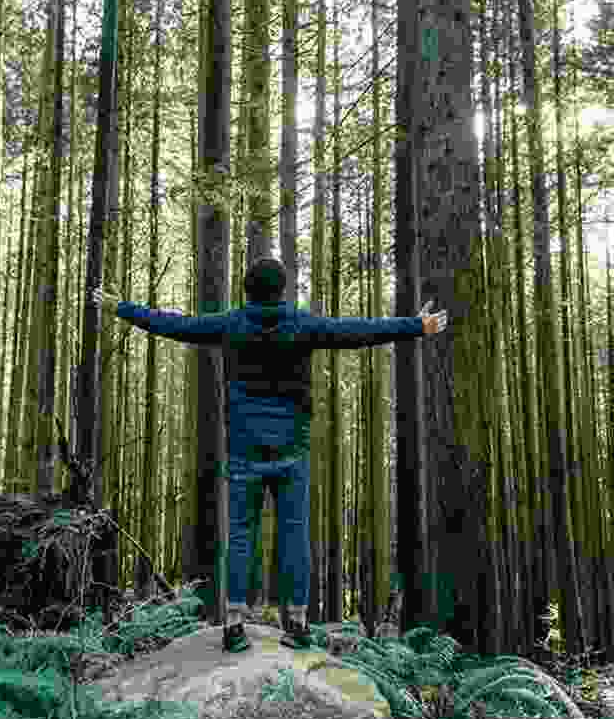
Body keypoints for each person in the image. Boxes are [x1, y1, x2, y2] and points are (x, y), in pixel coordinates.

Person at [92, 257, 448, 654]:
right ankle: (296, 623)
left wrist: (120, 308)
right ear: (282, 290)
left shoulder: (231, 323)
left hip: (245, 447)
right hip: (291, 448)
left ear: (247, 290)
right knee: (294, 532)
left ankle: (233, 624)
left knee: (241, 534)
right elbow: (358, 330)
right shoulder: (302, 323)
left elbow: (175, 324)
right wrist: (416, 325)